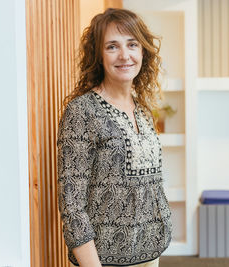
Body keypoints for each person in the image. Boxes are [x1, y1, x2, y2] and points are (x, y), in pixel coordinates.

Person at [57, 8, 172, 267]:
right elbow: (72, 206)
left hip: (149, 253)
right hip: (103, 261)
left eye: (132, 44)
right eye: (112, 46)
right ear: (98, 55)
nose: (125, 55)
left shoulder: (141, 108)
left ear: (143, 51)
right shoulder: (82, 111)